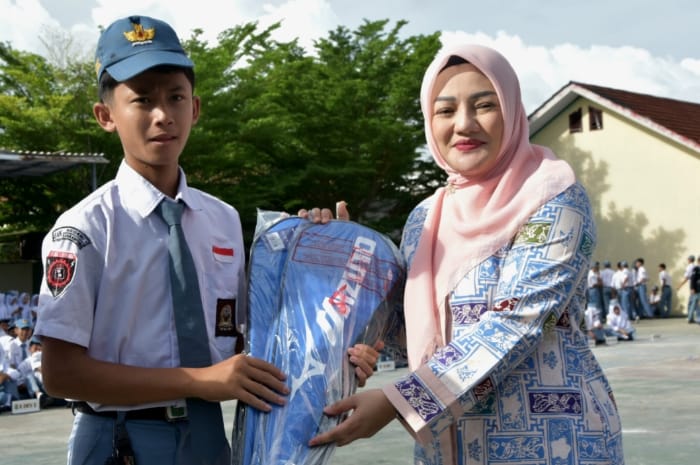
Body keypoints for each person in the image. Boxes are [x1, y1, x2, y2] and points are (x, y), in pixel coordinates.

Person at [32, 15, 378, 465]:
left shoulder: (222, 219)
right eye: (142, 100)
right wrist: (197, 381)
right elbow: (60, 374)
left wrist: (330, 320)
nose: (162, 115)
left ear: (194, 108)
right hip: (120, 440)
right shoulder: (85, 228)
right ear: (106, 116)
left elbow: (242, 344)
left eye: (175, 97)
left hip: (208, 436)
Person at [310, 44, 624, 464]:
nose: (464, 124)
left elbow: (517, 321)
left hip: (552, 441)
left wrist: (398, 402)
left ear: (511, 111)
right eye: (445, 110)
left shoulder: (554, 197)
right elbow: (407, 335)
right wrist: (344, 257)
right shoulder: (425, 219)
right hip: (446, 448)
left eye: (484, 105)